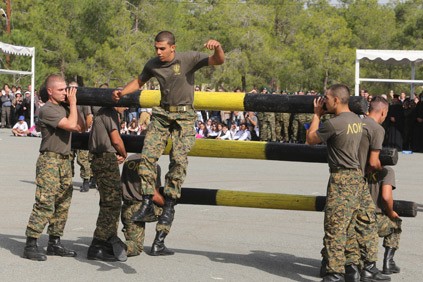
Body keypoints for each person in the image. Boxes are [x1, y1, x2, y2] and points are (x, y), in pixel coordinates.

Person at [112, 30, 224, 256]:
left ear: (173, 47)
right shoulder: (153, 64)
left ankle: (162, 232)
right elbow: (139, 81)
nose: (158, 52)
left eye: (162, 48)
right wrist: (122, 92)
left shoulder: (188, 58)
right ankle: (146, 201)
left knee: (178, 164)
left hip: (184, 116)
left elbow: (217, 60)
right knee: (146, 159)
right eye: (156, 48)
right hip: (162, 115)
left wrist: (218, 46)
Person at [306, 84, 366, 282]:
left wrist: (317, 115)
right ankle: (352, 269)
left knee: (334, 227)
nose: (325, 101)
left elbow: (311, 139)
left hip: (341, 178)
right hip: (356, 177)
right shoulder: (356, 120)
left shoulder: (334, 124)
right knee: (348, 226)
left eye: (327, 98)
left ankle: (335, 273)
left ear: (336, 100)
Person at [23, 74, 85, 261]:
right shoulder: (47, 110)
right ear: (50, 91)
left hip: (65, 161)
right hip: (50, 161)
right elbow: (72, 126)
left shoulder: (64, 108)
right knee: (45, 202)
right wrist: (73, 105)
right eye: (61, 90)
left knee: (62, 204)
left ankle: (54, 242)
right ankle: (31, 244)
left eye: (66, 90)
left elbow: (81, 126)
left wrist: (76, 105)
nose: (65, 93)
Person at [87, 106, 128, 262]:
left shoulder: (101, 113)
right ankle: (98, 244)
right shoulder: (110, 113)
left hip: (100, 159)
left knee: (108, 202)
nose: (126, 107)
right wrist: (124, 153)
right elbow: (116, 140)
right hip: (106, 159)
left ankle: (106, 240)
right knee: (111, 203)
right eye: (124, 103)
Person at [368, 167, 402, 276]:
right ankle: (388, 262)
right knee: (395, 224)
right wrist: (391, 212)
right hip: (375, 217)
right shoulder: (387, 170)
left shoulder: (362, 165)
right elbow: (386, 197)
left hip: (358, 216)